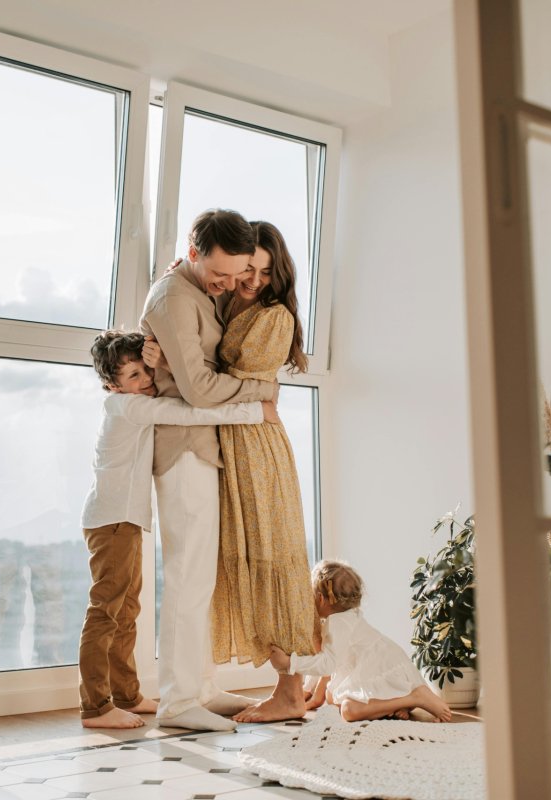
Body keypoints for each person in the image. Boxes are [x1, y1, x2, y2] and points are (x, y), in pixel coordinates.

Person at [78, 329, 276, 729]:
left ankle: (128, 695)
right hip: (111, 520)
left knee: (127, 610)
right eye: (133, 377)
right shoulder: (125, 407)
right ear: (112, 384)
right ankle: (95, 707)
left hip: (124, 520)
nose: (145, 382)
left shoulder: (132, 402)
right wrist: (255, 410)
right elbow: (188, 414)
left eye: (143, 372)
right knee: (107, 611)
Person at [140, 210, 277, 732]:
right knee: (186, 578)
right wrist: (259, 392)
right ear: (194, 254)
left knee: (201, 577)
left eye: (236, 275)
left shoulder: (198, 288)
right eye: (220, 275)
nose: (228, 285)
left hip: (205, 447)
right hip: (183, 448)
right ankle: (176, 704)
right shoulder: (175, 296)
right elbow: (197, 390)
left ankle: (198, 686)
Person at [209, 220, 319, 724]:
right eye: (248, 266)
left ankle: (289, 690)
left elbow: (230, 378)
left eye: (265, 270)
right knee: (244, 558)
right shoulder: (231, 302)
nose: (254, 277)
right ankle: (290, 688)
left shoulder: (274, 316)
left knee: (267, 557)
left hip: (255, 446)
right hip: (235, 438)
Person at [269, 559, 453, 723]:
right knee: (333, 696)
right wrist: (309, 692)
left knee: (348, 711)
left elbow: (327, 665)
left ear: (320, 599)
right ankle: (399, 702)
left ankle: (414, 698)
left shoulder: (338, 623)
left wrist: (289, 662)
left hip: (381, 667)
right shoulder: (345, 616)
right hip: (385, 662)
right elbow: (327, 666)